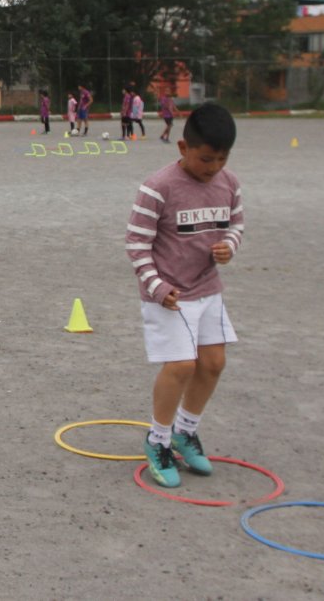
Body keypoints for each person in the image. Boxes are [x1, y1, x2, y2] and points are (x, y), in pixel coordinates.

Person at [124, 103, 243, 489]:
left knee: (213, 363)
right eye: (206, 158)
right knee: (180, 367)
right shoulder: (158, 187)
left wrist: (229, 244)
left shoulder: (230, 183)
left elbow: (236, 223)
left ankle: (185, 431)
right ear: (182, 148)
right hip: (169, 293)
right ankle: (157, 440)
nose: (213, 167)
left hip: (208, 290)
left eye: (221, 159)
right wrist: (157, 287)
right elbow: (136, 243)